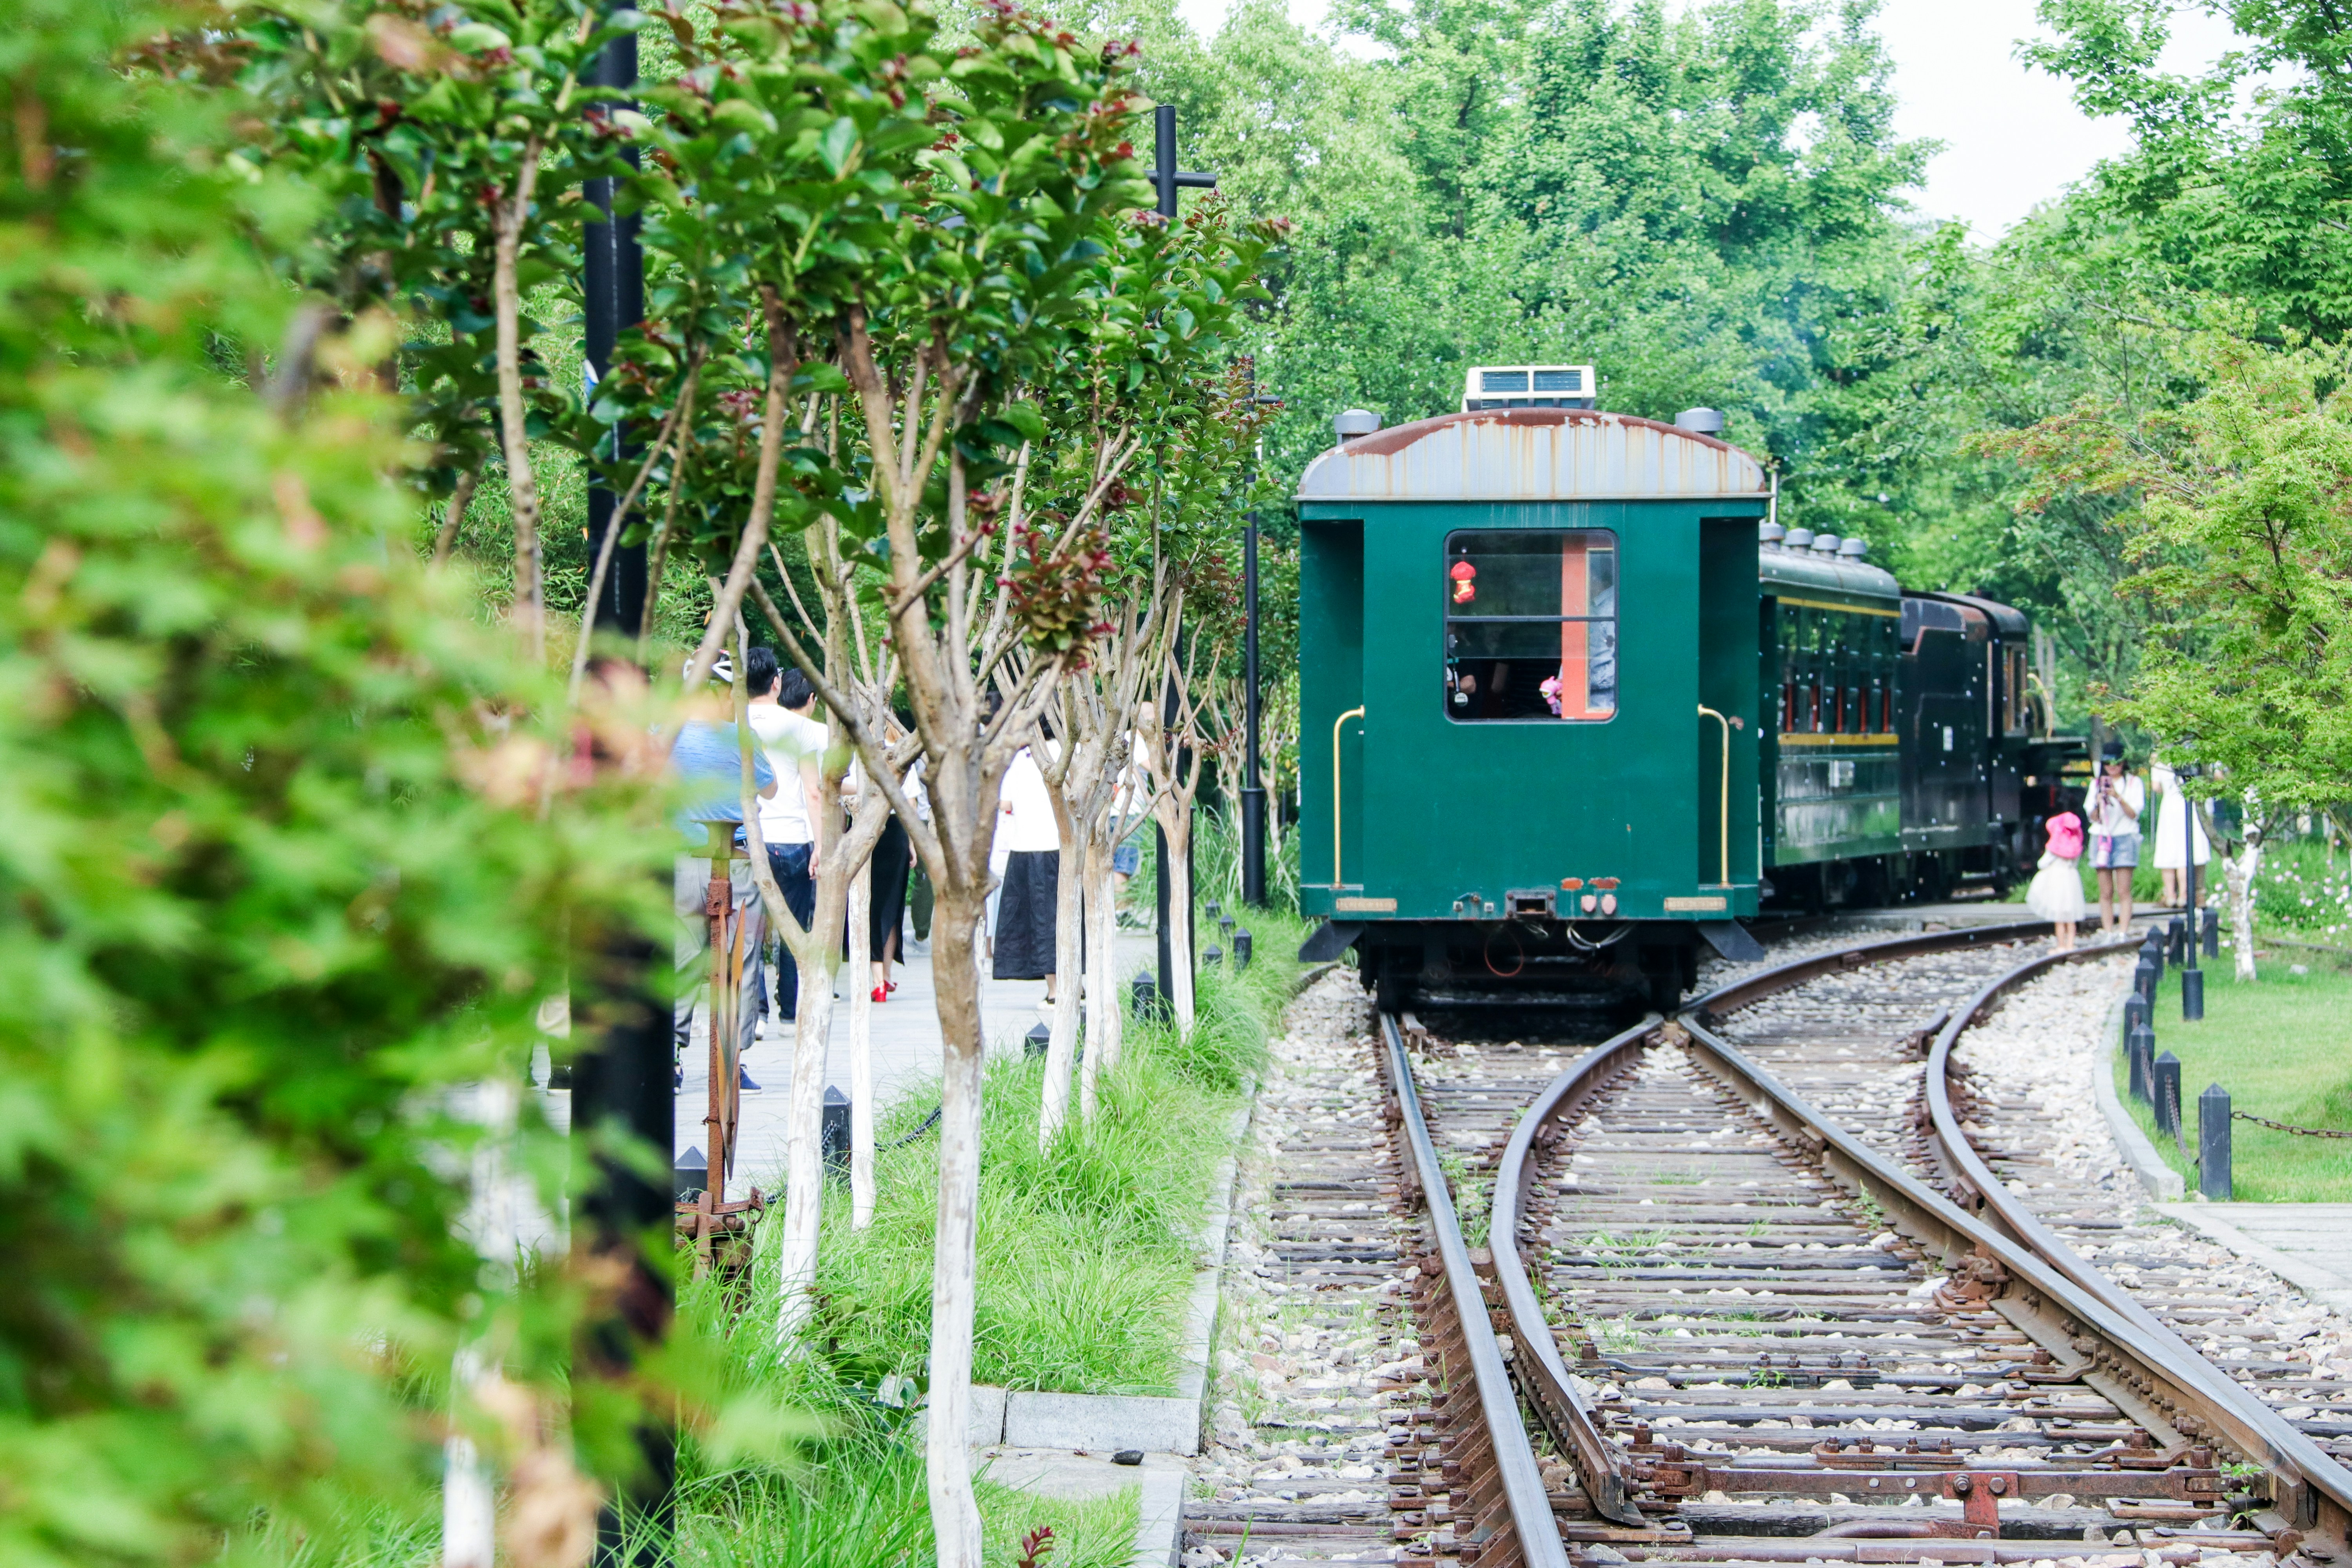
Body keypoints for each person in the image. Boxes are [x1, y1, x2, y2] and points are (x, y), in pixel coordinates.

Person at [670, 653, 775, 1090]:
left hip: (681, 862)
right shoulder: (740, 737)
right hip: (736, 863)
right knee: (739, 960)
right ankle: (730, 1062)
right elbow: (770, 788)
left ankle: (671, 1057)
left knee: (681, 957)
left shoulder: (664, 734)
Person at [744, 650, 827, 1026]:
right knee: (793, 928)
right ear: (776, 683)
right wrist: (820, 845)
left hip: (748, 838)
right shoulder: (799, 727)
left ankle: (757, 1011)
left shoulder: (734, 723)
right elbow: (813, 791)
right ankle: (790, 1011)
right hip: (792, 839)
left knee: (750, 929)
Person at [992, 740, 1062, 1011]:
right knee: (1062, 917)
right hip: (1063, 845)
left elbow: (1005, 802)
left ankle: (1055, 990)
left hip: (1027, 846)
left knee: (1040, 921)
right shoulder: (1070, 749)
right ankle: (1072, 986)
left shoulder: (1020, 757)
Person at [2086, 742, 2145, 933]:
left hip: (2125, 836)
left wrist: (2117, 796)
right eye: (2108, 763)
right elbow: (2093, 818)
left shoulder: (2134, 783)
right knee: (2106, 891)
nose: (2112, 767)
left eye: (2117, 763)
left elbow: (2134, 814)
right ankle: (2108, 931)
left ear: (2123, 763)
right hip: (2101, 838)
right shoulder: (2096, 784)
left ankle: (2123, 931)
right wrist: (2099, 802)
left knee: (2124, 890)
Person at [2150, 752, 2210, 910]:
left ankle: (2170, 895)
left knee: (2169, 851)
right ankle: (2185, 895)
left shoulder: (2159, 756)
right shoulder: (2192, 753)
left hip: (2170, 806)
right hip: (2189, 802)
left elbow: (2156, 787)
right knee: (2186, 851)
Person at [2027, 809, 2089, 951]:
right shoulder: (2075, 845)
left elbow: (2043, 864)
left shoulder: (2054, 847)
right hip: (2071, 879)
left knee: (2059, 917)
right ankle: (2071, 945)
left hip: (2057, 881)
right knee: (2071, 917)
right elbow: (2075, 864)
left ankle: (2061, 945)